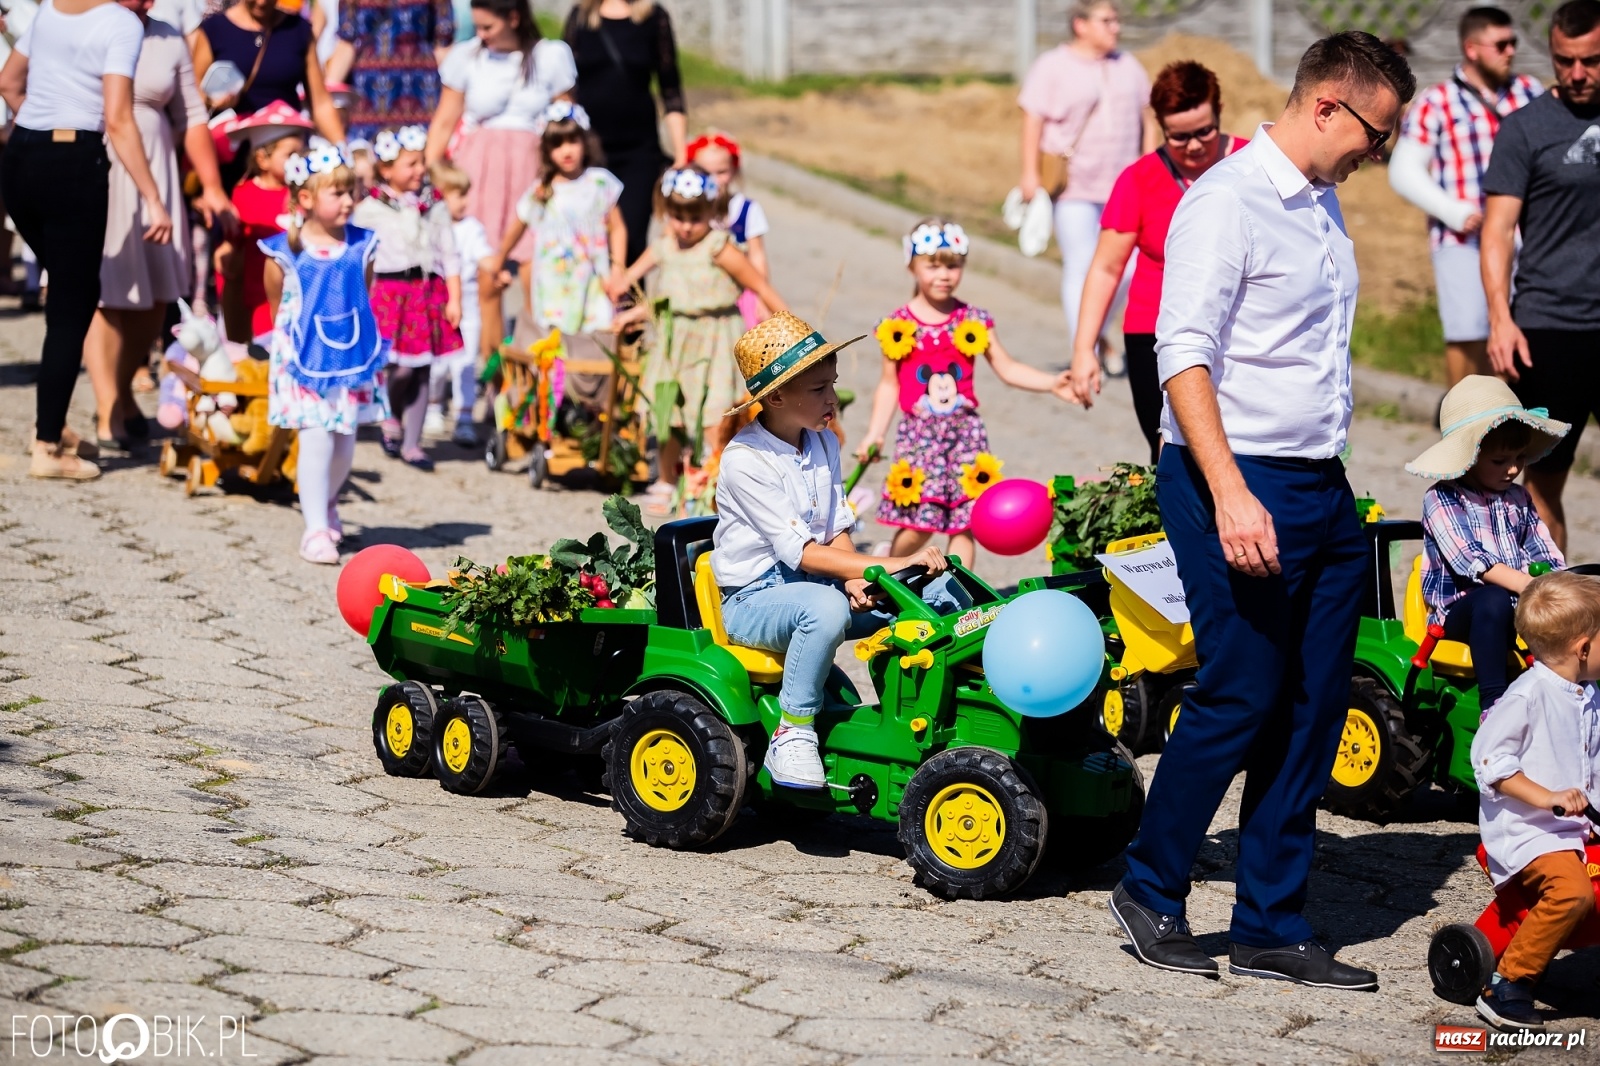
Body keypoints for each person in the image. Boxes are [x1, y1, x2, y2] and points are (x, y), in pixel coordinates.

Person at [1108, 32, 1414, 989]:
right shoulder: (1225, 203)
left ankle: (1270, 921)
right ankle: (1152, 885)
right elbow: (1181, 354)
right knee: (1242, 685)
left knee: (1316, 700)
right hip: (1229, 478)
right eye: (1377, 133)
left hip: (1318, 481)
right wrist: (1232, 490)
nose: (1378, 154)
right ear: (1328, 105)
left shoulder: (1322, 206)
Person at [713, 311, 949, 788]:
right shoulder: (745, 460)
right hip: (753, 600)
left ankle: (923, 715)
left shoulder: (822, 443)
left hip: (815, 582)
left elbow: (834, 528)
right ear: (777, 396)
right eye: (819, 388)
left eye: (833, 384)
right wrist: (887, 562)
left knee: (933, 590)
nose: (833, 398)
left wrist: (857, 576)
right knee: (823, 610)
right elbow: (801, 552)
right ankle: (793, 730)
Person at [0, 0, 173, 480]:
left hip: (21, 158)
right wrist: (153, 197)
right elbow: (118, 119)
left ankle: (51, 422)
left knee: (71, 296)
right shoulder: (120, 24)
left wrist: (37, 129)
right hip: (73, 164)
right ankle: (48, 447)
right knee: (72, 305)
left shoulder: (52, 9)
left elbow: (9, 83)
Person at [857, 219, 1075, 566]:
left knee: (966, 524)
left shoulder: (972, 319)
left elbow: (1007, 367)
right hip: (919, 440)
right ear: (911, 265)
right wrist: (874, 433)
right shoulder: (897, 326)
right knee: (918, 526)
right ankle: (889, 573)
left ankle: (962, 602)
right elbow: (889, 383)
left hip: (966, 439)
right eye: (933, 265)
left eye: (953, 265)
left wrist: (1051, 383)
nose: (943, 275)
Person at [1067, 61, 1247, 460]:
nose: (1195, 146)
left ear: (1219, 112)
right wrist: (1085, 348)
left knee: (1246, 452)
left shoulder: (1255, 164)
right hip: (1155, 336)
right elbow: (1106, 268)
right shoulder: (1139, 179)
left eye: (1205, 131)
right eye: (1178, 137)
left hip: (1241, 333)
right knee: (1170, 455)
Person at [85, 0, 233, 454]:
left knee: (158, 293)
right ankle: (108, 404)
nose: (148, 2)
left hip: (159, 165)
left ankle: (125, 389)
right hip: (100, 161)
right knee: (104, 289)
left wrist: (211, 186)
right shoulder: (87, 26)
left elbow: (191, 117)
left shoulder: (169, 36)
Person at [1481, 0, 1600, 554]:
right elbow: (1498, 230)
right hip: (1550, 329)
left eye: (1592, 61)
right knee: (1542, 485)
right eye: (1565, 60)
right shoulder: (1524, 129)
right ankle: (1556, 623)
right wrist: (1501, 320)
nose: (1577, 73)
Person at [1469, 570, 1600, 1030]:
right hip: (1534, 831)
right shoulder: (1526, 695)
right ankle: (1509, 983)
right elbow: (1490, 762)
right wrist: (1550, 799)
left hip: (1582, 825)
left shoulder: (1588, 694)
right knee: (1572, 892)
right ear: (1583, 648)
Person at [615, 164, 786, 512]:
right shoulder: (664, 246)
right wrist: (625, 301)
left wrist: (788, 323)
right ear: (666, 213)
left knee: (714, 412)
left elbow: (759, 285)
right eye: (677, 216)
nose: (686, 226)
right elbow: (639, 287)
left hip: (714, 337)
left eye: (695, 217)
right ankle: (665, 478)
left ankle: (721, 477)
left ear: (712, 211)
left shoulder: (718, 246)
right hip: (672, 339)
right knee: (668, 410)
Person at [1388, 7, 1543, 387]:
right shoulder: (1437, 101)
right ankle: (1463, 426)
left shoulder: (1530, 92)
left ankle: (1508, 428)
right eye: (1500, 44)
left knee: (1521, 336)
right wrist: (1453, 211)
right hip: (1463, 240)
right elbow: (1403, 171)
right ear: (1471, 48)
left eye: (1513, 42)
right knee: (1468, 334)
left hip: (1526, 238)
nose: (1510, 51)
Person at [261, 144, 389, 564]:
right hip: (303, 358)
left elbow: (363, 292)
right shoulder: (284, 250)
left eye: (351, 192)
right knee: (315, 438)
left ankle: (329, 501)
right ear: (306, 200)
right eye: (338, 193)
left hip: (349, 357)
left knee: (344, 444)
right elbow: (278, 299)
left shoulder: (362, 245)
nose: (349, 201)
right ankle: (314, 528)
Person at [1408, 376, 1568, 709]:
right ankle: (1494, 705)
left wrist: (1559, 585)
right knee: (1492, 600)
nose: (1512, 469)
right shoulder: (1442, 498)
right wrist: (1528, 585)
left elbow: (1544, 550)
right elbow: (1471, 559)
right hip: (1462, 613)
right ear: (1468, 457)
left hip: (1518, 607)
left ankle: (1566, 698)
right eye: (1499, 461)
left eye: (1520, 457)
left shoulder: (1519, 498)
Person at [1017, 0, 1149, 374]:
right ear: (1080, 24)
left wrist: (1149, 166)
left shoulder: (1129, 66)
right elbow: (1033, 121)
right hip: (1072, 186)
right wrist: (1030, 174)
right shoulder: (1052, 66)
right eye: (1106, 20)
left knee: (1129, 267)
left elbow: (1146, 117)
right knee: (1080, 264)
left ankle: (1096, 334)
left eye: (1116, 20)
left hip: (1123, 186)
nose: (1115, 27)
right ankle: (1086, 352)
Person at [425, 0, 576, 271]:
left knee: (536, 259)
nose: (481, 34)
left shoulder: (549, 56)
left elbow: (568, 121)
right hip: (478, 170)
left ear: (514, 18)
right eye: (477, 26)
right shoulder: (467, 57)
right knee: (481, 266)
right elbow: (444, 122)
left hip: (532, 170)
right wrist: (435, 175)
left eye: (488, 27)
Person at [352, 125, 463, 471]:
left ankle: (413, 445)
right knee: (398, 368)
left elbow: (450, 253)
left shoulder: (434, 205)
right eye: (409, 164)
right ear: (386, 170)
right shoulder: (371, 208)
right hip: (388, 293)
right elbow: (361, 256)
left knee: (422, 369)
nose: (419, 171)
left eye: (421, 164)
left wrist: (454, 298)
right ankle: (391, 417)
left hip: (427, 291)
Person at [564, 0, 686, 265]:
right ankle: (594, 306)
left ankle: (631, 303)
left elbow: (671, 90)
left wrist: (681, 155)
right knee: (591, 242)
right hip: (589, 152)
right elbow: (565, 86)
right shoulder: (582, 17)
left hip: (638, 152)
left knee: (630, 240)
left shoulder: (653, 18)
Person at [489, 102, 625, 337]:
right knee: (556, 341)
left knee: (597, 334)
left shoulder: (600, 183)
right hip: (555, 282)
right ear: (546, 151)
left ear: (585, 141)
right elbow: (518, 225)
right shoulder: (542, 191)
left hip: (593, 278)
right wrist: (499, 261)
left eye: (572, 141)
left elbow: (618, 228)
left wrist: (618, 270)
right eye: (557, 145)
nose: (567, 151)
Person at [217, 103, 312, 344]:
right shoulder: (244, 193)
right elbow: (235, 237)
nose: (296, 161)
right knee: (267, 348)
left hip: (299, 289)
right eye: (289, 154)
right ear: (263, 158)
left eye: (299, 154)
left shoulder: (301, 194)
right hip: (258, 292)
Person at [194, 0, 342, 150]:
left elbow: (321, 103)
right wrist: (212, 102)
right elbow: (193, 98)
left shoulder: (299, 29)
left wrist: (343, 149)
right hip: (231, 153)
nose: (262, 2)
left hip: (287, 152)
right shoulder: (214, 30)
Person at [424, 159, 494, 447]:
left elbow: (484, 255)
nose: (465, 201)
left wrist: (497, 269)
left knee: (466, 363)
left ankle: (464, 418)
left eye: (466, 194)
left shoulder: (472, 228)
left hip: (467, 303)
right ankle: (433, 407)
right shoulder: (429, 224)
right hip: (437, 303)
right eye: (458, 195)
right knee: (437, 363)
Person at [327, 0, 454, 143]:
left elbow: (443, 42)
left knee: (416, 153)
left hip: (420, 90)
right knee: (368, 153)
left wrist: (452, 96)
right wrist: (327, 98)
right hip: (367, 93)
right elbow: (346, 42)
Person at [688, 129, 769, 328]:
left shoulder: (747, 209)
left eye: (721, 172)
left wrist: (762, 296)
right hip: (697, 290)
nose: (715, 180)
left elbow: (757, 256)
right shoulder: (689, 213)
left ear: (733, 169)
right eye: (707, 173)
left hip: (740, 295)